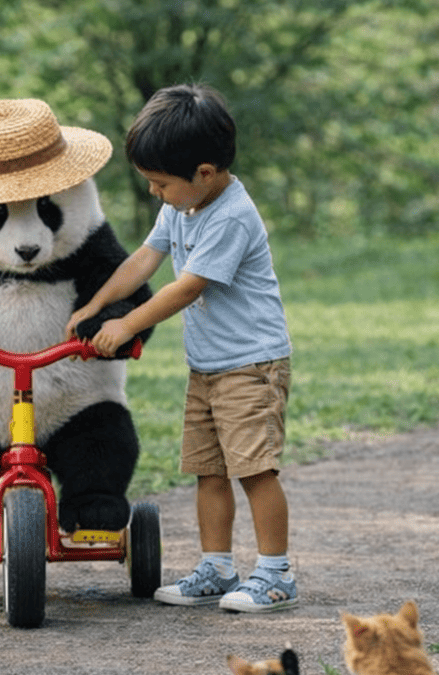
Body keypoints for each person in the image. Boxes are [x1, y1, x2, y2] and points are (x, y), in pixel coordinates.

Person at [65, 83, 296, 613]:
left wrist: (126, 325)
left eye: (161, 183)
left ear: (205, 173)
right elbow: (143, 261)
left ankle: (275, 573)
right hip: (208, 367)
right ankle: (217, 567)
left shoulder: (231, 215)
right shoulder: (183, 207)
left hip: (251, 366)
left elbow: (186, 287)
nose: (154, 192)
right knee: (208, 470)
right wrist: (97, 305)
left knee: (254, 470)